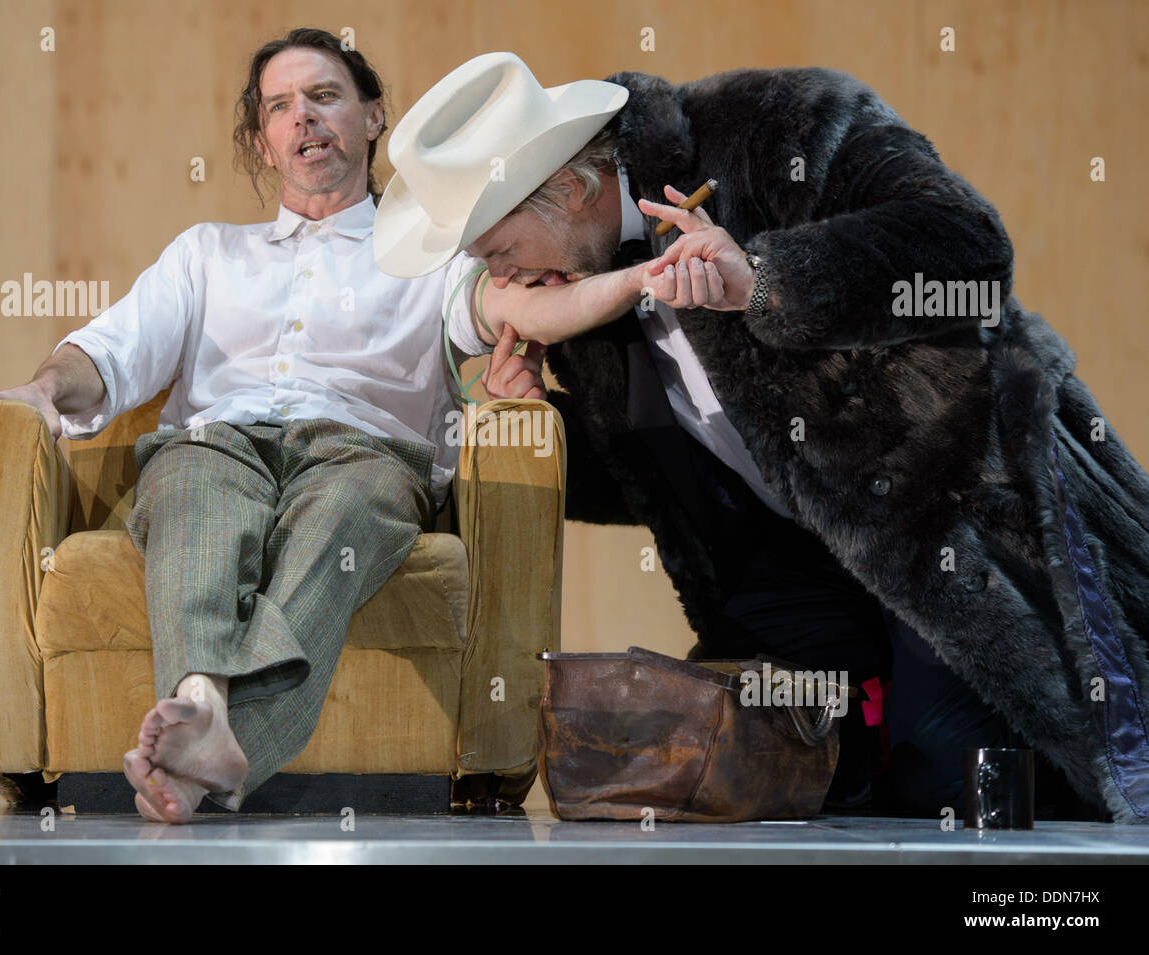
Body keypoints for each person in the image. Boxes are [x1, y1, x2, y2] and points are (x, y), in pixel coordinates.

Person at [373, 52, 1149, 823]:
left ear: (570, 190)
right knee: (718, 777)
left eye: (499, 252)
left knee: (952, 774)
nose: (499, 281)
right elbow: (654, 482)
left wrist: (766, 281)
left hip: (947, 512)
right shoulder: (570, 281)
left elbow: (971, 248)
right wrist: (547, 424)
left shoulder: (783, 120)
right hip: (786, 567)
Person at [0, 30, 530, 824]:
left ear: (372, 115)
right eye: (280, 107)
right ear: (262, 140)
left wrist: (527, 355)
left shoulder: (435, 256)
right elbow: (112, 351)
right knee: (192, 490)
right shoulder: (207, 255)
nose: (304, 119)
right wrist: (40, 388)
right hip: (218, 447)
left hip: (362, 458)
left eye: (324, 96)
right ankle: (199, 706)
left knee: (338, 517)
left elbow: (499, 312)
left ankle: (208, 746)